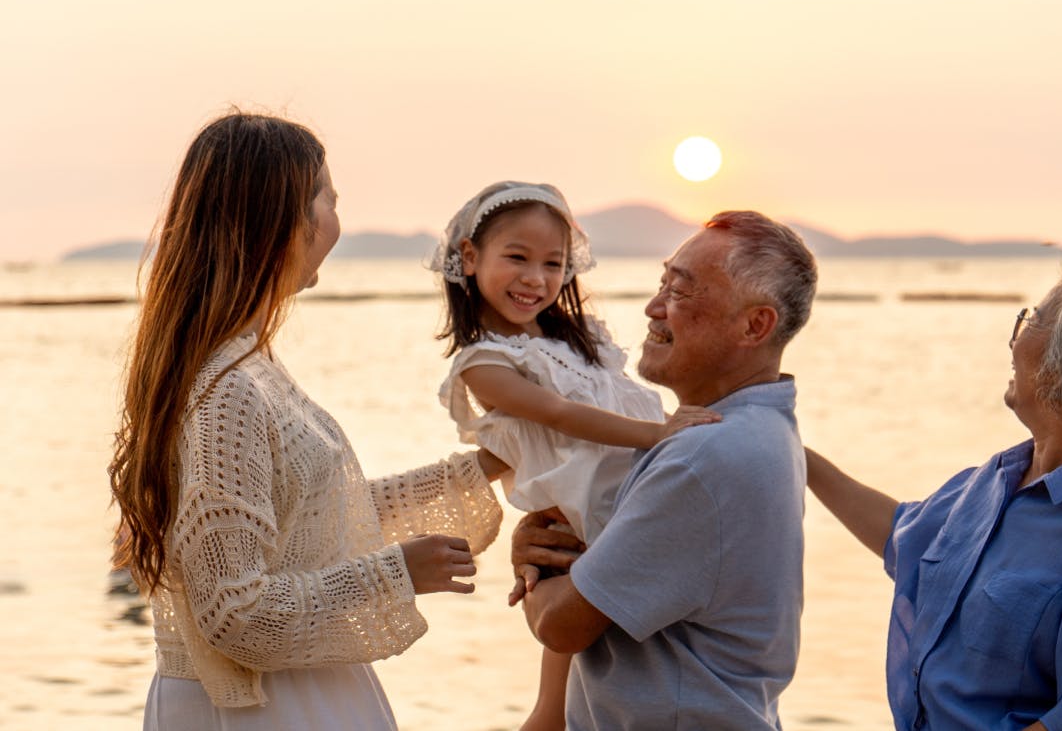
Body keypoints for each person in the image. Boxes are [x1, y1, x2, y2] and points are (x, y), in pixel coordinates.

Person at [108, 112, 509, 730]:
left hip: (297, 696)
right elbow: (235, 614)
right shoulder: (227, 390)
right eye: (329, 198)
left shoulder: (246, 363)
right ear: (281, 222)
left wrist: (481, 468)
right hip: (263, 710)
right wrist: (395, 571)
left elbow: (310, 524)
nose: (336, 220)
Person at [804, 244, 1062, 731]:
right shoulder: (1000, 478)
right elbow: (903, 536)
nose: (1015, 341)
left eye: (1032, 319)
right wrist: (795, 456)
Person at [510, 210, 817, 730]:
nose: (654, 308)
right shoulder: (760, 430)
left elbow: (563, 626)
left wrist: (531, 567)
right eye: (661, 283)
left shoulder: (705, 456)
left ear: (754, 325)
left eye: (680, 292)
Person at [428, 180, 718, 729]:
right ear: (470, 257)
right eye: (517, 257)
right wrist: (657, 435)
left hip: (629, 481)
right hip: (586, 500)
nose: (536, 279)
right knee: (561, 685)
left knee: (610, 662)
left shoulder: (577, 336)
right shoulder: (484, 363)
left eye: (553, 264)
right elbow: (559, 416)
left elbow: (611, 397)